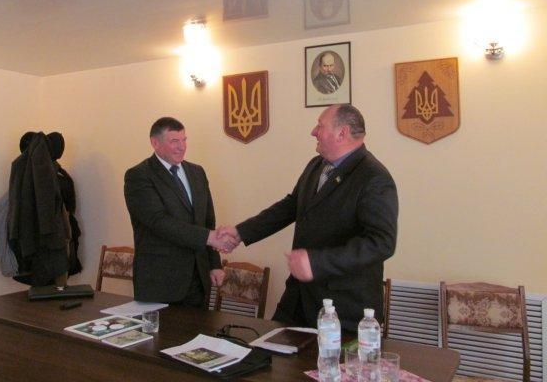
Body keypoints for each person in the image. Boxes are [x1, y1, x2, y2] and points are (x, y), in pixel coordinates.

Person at [219, 104, 398, 331]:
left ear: (341, 133)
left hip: (343, 309)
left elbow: (381, 243)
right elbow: (290, 207)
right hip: (298, 298)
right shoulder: (316, 165)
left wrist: (316, 262)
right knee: (270, 350)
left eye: (320, 126)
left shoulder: (373, 177)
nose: (313, 132)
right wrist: (241, 232)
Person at [124, 117, 230, 308]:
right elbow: (158, 222)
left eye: (184, 140)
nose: (182, 147)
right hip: (160, 283)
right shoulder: (139, 176)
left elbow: (208, 221)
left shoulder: (197, 172)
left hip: (198, 280)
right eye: (174, 141)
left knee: (200, 327)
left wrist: (214, 264)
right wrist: (209, 237)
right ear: (155, 143)